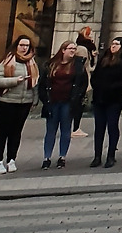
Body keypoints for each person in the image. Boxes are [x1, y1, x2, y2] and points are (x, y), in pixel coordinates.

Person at [0, 36, 38, 172]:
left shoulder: (32, 62)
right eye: (22, 45)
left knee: (16, 133)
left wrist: (34, 100)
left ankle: (11, 159)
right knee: (2, 132)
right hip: (6, 101)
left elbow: (35, 83)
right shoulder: (7, 61)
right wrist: (14, 81)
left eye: (27, 45)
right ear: (16, 46)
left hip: (24, 102)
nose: (24, 48)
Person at [38, 40, 88, 169]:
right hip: (52, 101)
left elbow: (83, 83)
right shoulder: (51, 64)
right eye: (70, 48)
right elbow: (42, 83)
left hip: (68, 102)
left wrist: (78, 97)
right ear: (63, 50)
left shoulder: (78, 65)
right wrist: (44, 98)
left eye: (74, 49)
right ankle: (47, 157)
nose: (73, 51)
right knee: (51, 130)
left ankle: (62, 157)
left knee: (66, 130)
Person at [89, 36, 122, 168]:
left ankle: (111, 155)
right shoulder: (104, 58)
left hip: (114, 99)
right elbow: (95, 75)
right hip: (99, 98)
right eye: (112, 43)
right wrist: (97, 86)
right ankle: (97, 156)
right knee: (99, 127)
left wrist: (113, 88)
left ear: (121, 47)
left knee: (112, 126)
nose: (113, 46)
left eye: (117, 44)